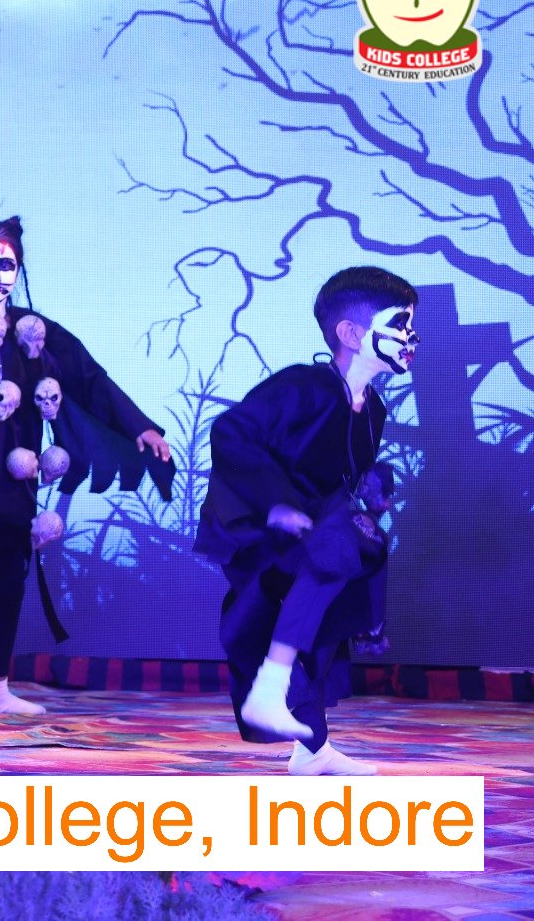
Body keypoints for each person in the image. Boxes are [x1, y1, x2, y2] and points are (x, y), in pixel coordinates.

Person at [0, 215, 173, 714]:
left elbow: (88, 377)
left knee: (10, 568)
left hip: (16, 466)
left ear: (18, 269)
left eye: (5, 265)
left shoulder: (34, 330)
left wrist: (139, 425)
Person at [197, 266, 417, 776]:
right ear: (351, 333)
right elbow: (230, 431)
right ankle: (271, 693)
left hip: (310, 532)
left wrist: (360, 508)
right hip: (255, 523)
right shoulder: (303, 385)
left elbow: (341, 478)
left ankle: (311, 748)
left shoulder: (372, 410)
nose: (412, 338)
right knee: (312, 578)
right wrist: (275, 501)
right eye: (399, 324)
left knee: (328, 614)